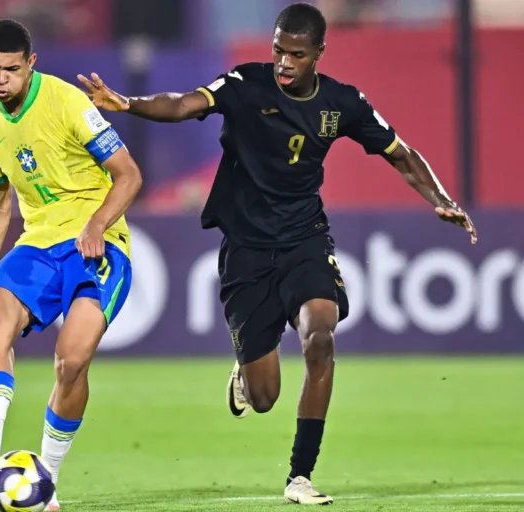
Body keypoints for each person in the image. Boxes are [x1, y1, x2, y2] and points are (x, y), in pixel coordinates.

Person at [78, 2, 476, 505]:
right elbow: (183, 104)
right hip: (246, 248)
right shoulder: (246, 83)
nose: (284, 63)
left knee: (320, 336)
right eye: (278, 51)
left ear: (318, 54)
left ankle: (300, 475)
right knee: (265, 398)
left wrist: (441, 198)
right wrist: (128, 103)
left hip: (305, 238)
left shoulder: (343, 103)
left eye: (296, 55)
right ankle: (247, 371)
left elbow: (400, 153)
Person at [0, 19, 143, 512]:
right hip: (38, 242)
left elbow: (128, 175)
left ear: (31, 64)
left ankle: (47, 478)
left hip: (97, 244)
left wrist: (98, 224)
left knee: (72, 361)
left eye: (10, 70)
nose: (0, 80)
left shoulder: (67, 103)